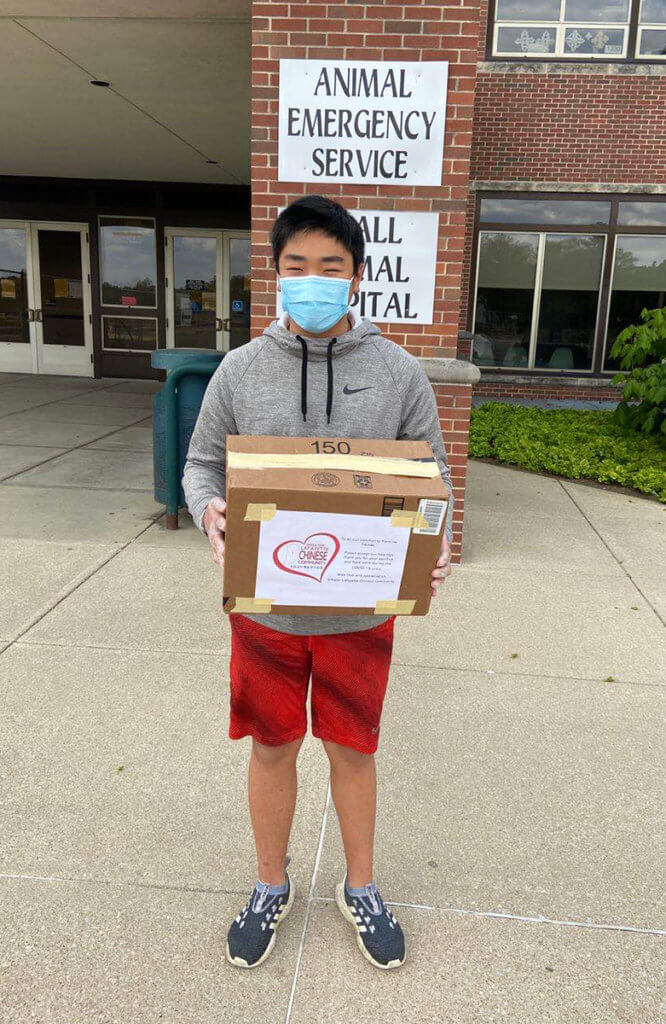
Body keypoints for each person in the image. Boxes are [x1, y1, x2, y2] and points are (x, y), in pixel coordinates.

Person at [182, 194, 454, 971]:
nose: (312, 280)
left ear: (357, 278)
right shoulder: (240, 370)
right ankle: (272, 884)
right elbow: (202, 464)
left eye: (329, 267)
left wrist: (435, 544)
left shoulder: (399, 372)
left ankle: (359, 887)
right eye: (296, 266)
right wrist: (208, 512)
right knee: (272, 747)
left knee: (352, 750)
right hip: (266, 608)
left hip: (360, 610)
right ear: (275, 275)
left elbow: (431, 474)